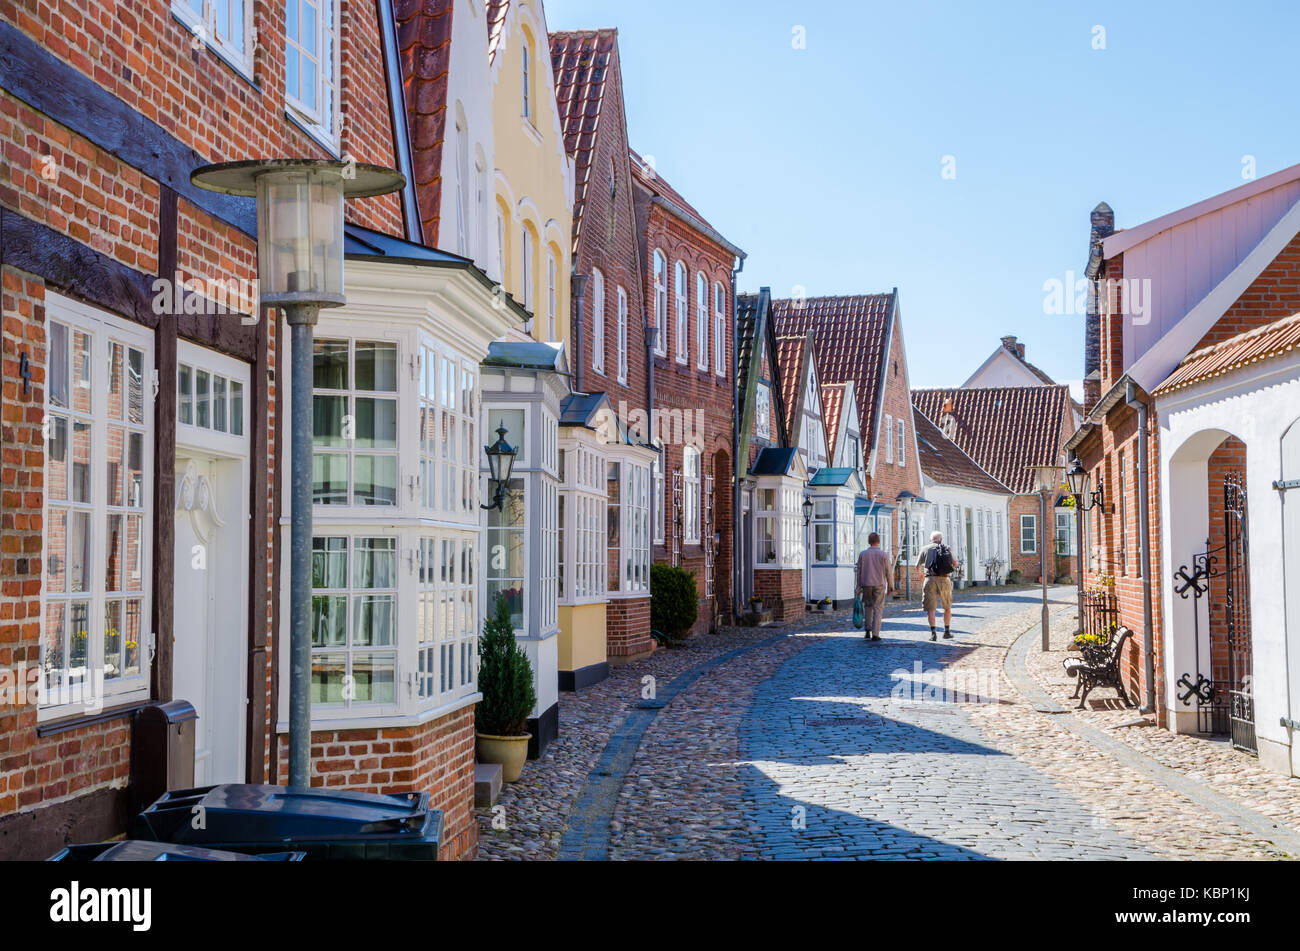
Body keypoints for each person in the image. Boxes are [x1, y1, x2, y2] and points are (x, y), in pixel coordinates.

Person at [915, 531, 959, 641]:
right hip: (945, 579)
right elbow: (955, 563)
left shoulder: (925, 548)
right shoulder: (947, 548)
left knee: (931, 608)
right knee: (947, 606)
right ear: (941, 539)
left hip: (930, 579)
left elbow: (917, 565)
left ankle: (933, 633)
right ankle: (947, 631)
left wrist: (921, 575)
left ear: (931, 540)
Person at [855, 532, 891, 641]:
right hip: (879, 584)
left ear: (869, 542)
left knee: (868, 606)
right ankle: (875, 633)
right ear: (878, 541)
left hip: (866, 584)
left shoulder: (863, 554)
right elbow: (888, 572)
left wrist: (858, 586)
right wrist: (891, 586)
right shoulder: (883, 555)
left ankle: (867, 630)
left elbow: (859, 571)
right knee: (878, 608)